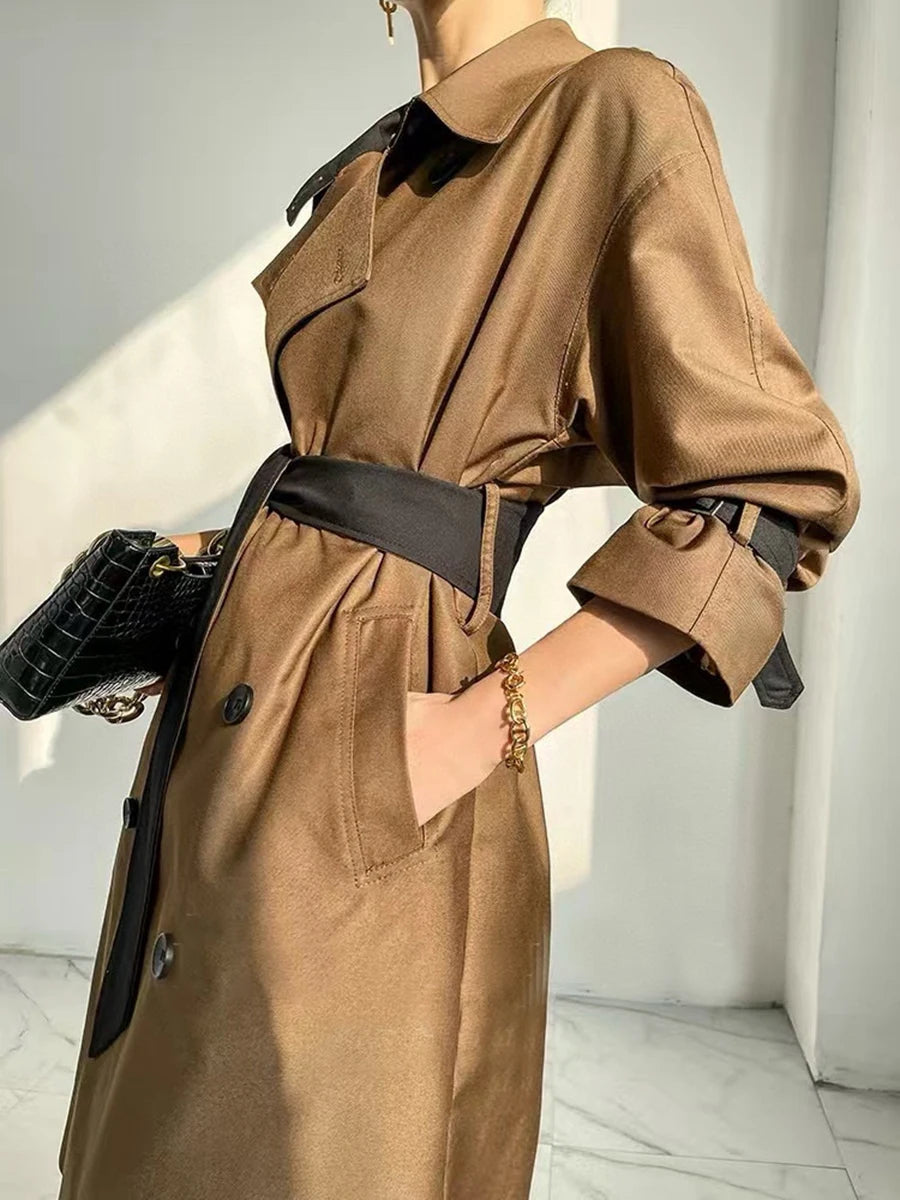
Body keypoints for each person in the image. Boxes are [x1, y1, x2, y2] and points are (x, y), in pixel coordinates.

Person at [57, 3, 860, 1198]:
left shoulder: (611, 108)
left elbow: (767, 489)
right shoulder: (392, 156)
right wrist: (207, 568)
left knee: (318, 1147)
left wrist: (474, 729)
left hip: (375, 753)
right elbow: (361, 485)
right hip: (228, 736)